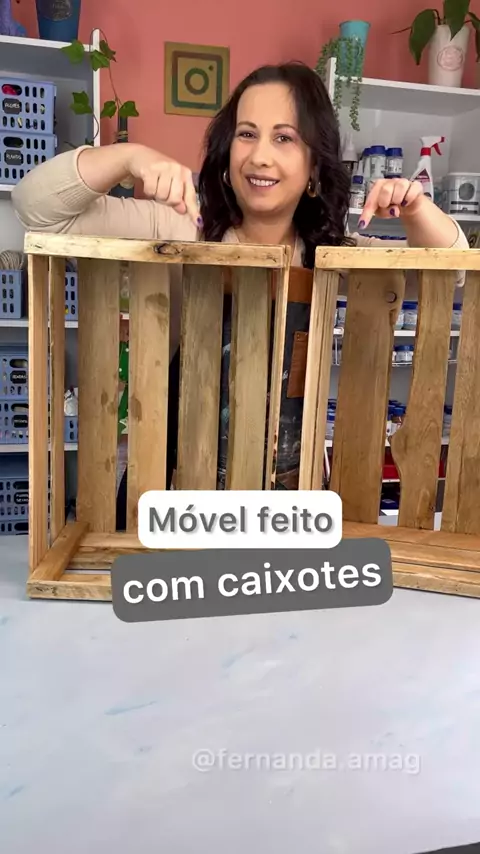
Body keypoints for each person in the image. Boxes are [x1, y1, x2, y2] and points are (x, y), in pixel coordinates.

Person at [11, 62, 468, 517]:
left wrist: (415, 208)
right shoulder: (182, 228)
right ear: (227, 153)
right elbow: (37, 209)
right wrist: (128, 158)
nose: (260, 156)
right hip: (174, 495)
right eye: (247, 134)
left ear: (314, 165)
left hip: (291, 501)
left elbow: (451, 270)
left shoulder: (333, 254)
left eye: (284, 138)